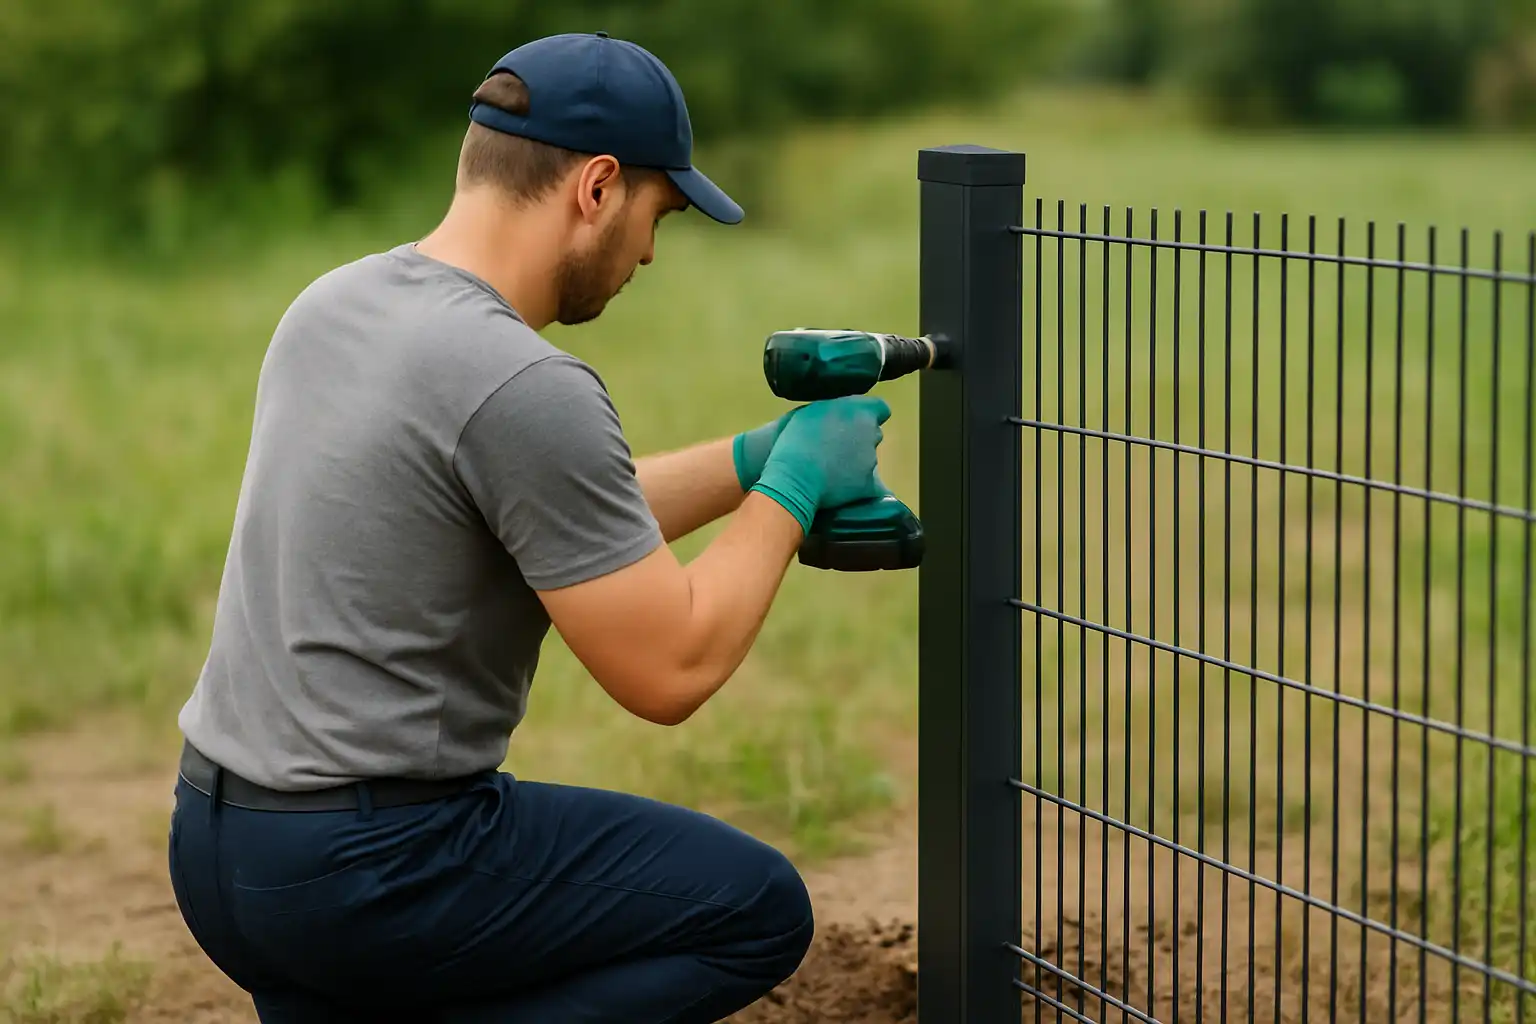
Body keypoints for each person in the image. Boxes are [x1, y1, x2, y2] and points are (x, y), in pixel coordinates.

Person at [164, 30, 891, 1024]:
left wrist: (747, 461)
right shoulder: (523, 381)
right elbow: (670, 667)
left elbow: (549, 514)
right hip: (372, 869)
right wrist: (797, 485)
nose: (647, 252)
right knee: (752, 911)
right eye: (657, 215)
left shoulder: (335, 306)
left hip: (221, 851)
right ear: (597, 187)